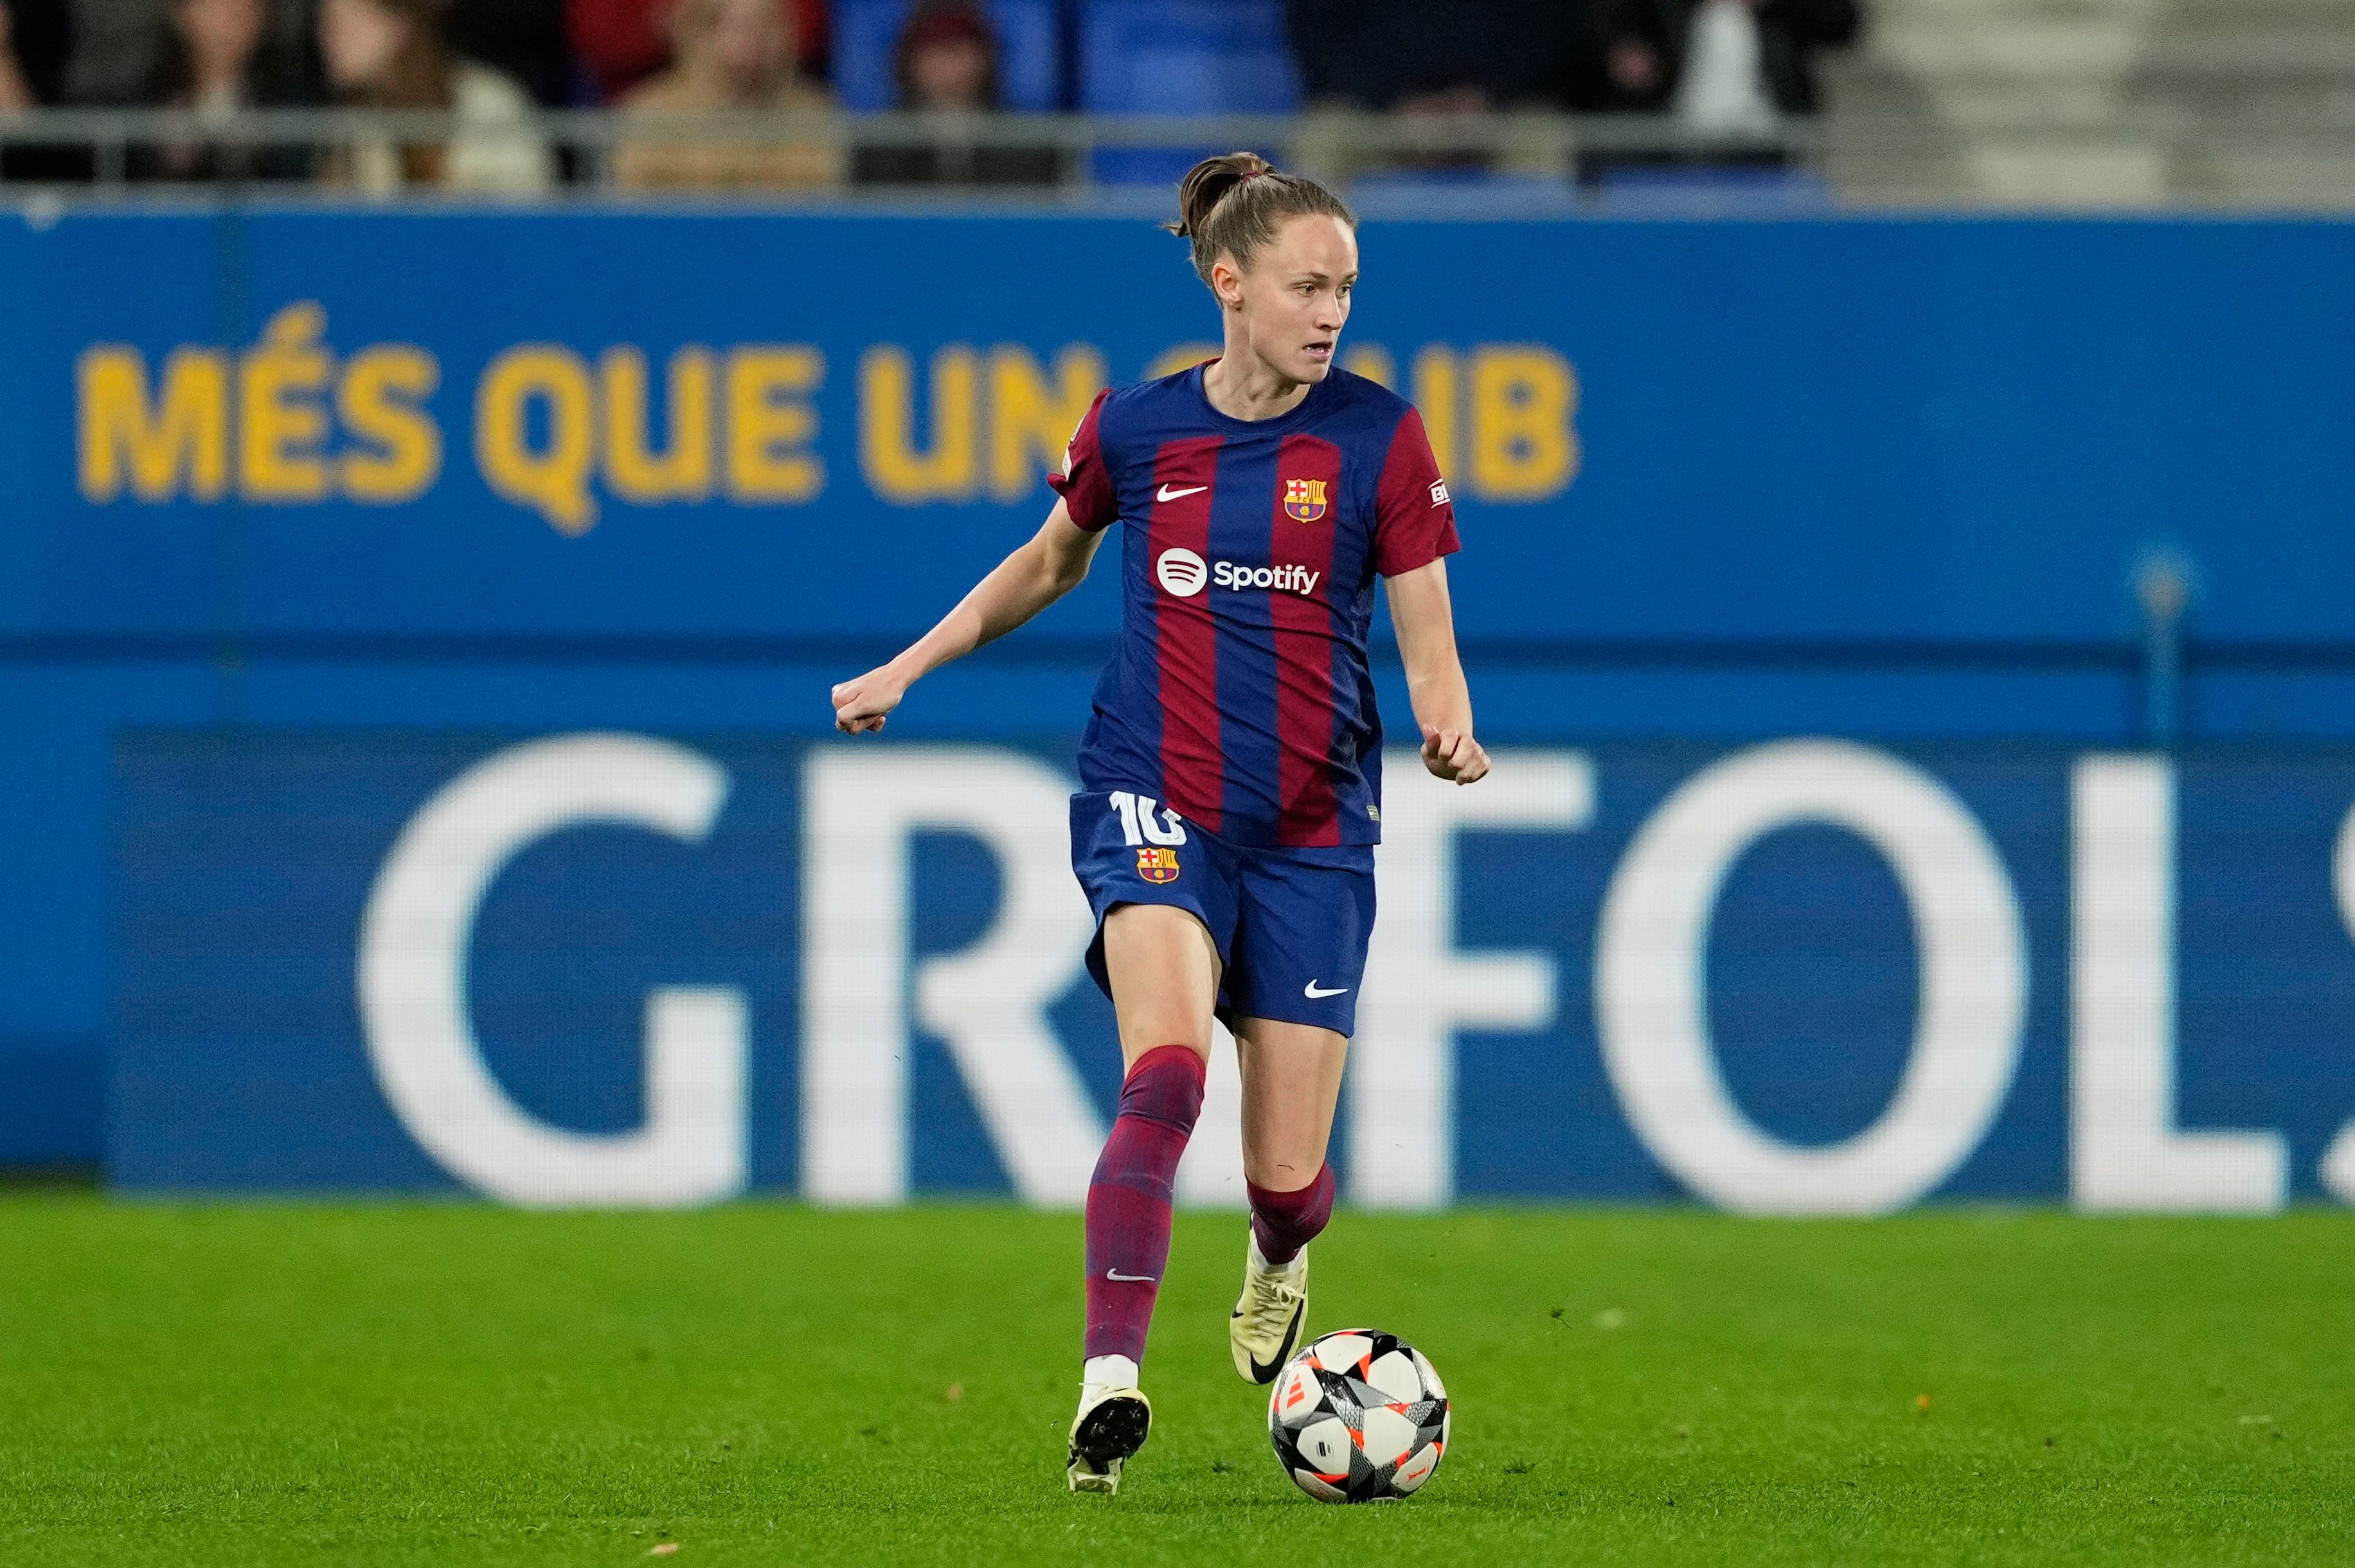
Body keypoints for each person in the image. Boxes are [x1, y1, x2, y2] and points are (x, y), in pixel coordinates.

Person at [828, 151, 1489, 1495]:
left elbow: (1424, 626)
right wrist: (909, 664)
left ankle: (1279, 1252)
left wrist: (1448, 724)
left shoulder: (1378, 436)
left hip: (1310, 825)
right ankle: (1107, 1383)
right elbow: (1045, 564)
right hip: (1156, 791)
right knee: (1167, 1071)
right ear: (1227, 283)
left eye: (1346, 288)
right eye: (1306, 286)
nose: (1330, 313)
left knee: (1288, 1178)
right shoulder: (1134, 429)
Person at [316, 0, 555, 195]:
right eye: (325, 25)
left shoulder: (492, 104)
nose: (328, 40)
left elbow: (528, 213)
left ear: (397, 25)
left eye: (343, 25)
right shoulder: (350, 122)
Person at [611, 0, 838, 192]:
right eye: (732, 24)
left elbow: (822, 200)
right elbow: (634, 204)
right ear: (697, 30)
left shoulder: (814, 114)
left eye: (764, 23)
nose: (751, 38)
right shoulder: (649, 112)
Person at [850, 0, 1059, 189]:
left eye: (957, 51)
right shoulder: (880, 149)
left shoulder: (1025, 146)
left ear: (986, 58)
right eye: (934, 52)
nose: (948, 67)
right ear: (909, 61)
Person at [130, 0, 318, 184]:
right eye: (213, 5)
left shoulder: (290, 100)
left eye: (242, 7)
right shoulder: (147, 99)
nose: (230, 16)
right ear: (181, 14)